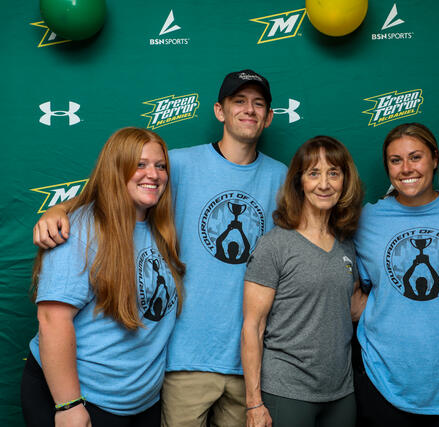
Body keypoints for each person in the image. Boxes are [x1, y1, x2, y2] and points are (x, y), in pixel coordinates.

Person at [32, 70, 288, 427]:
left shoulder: (283, 178)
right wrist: (59, 209)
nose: (249, 110)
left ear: (269, 116)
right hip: (181, 360)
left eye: (258, 104)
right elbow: (112, 184)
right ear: (219, 111)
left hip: (242, 361)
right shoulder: (177, 164)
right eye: (239, 101)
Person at [21, 127, 185, 426]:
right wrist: (68, 405)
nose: (153, 174)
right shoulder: (80, 230)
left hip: (141, 403)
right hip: (83, 399)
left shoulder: (160, 228)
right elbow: (52, 320)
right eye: (139, 164)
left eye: (160, 166)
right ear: (115, 169)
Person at [353, 123, 439, 427]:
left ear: (435, 159)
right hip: (383, 382)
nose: (406, 168)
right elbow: (353, 289)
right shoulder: (366, 220)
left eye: (416, 157)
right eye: (395, 160)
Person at [241, 136, 367, 427]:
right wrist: (254, 403)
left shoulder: (347, 244)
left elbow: (352, 308)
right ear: (299, 182)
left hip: (340, 392)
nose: (324, 184)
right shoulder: (275, 245)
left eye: (333, 173)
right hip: (287, 391)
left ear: (345, 181)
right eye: (314, 174)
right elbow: (253, 326)